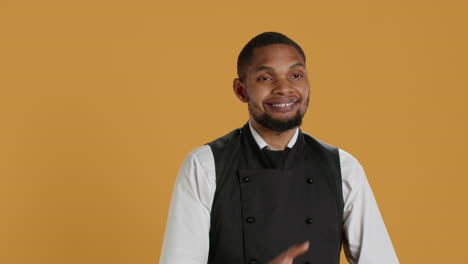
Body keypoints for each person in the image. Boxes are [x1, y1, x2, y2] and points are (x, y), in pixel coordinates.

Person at [159, 32, 399, 264]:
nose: (284, 88)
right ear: (241, 90)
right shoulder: (204, 166)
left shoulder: (343, 168)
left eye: (296, 75)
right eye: (265, 78)